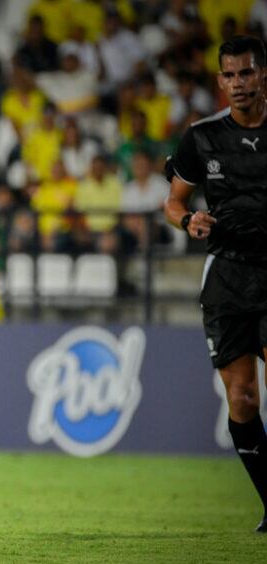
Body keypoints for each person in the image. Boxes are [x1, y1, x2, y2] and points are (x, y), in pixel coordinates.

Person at [163, 35, 267, 532]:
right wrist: (188, 221)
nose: (238, 82)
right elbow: (173, 201)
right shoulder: (201, 137)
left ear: (263, 75)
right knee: (242, 398)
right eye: (230, 74)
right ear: (220, 80)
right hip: (227, 275)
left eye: (247, 72)